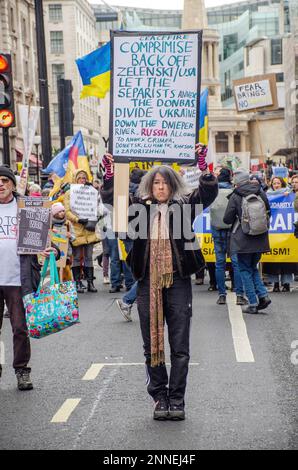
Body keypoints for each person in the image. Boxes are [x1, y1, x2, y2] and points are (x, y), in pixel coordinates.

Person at [127, 146, 218, 420]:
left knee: (180, 346)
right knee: (150, 346)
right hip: (147, 283)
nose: (160, 187)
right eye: (156, 182)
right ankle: (159, 397)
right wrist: (111, 173)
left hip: (178, 281)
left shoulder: (184, 207)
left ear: (173, 185)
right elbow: (114, 197)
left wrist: (203, 167)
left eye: (165, 182)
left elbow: (207, 193)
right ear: (149, 186)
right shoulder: (138, 210)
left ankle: (177, 399)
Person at [0, 165, 58, 390]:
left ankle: (22, 370)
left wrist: (50, 250)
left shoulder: (27, 207)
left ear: (13, 184)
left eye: (5, 181)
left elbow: (43, 239)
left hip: (18, 279)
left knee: (20, 328)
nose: (1, 185)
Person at [223, 168, 271, 314]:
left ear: (236, 182)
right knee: (253, 267)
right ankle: (263, 295)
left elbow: (227, 218)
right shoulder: (260, 191)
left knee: (244, 269)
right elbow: (268, 209)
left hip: (243, 239)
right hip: (260, 237)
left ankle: (253, 302)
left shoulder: (236, 195)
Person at [209, 167, 246, 305]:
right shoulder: (234, 191)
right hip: (233, 230)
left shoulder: (212, 192)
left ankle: (221, 294)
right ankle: (239, 294)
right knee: (237, 263)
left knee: (219, 263)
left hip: (217, 229)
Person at [64, 170, 100, 293]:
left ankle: (90, 283)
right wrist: (78, 219)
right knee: (77, 257)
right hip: (77, 229)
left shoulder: (91, 192)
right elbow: (67, 211)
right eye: (79, 178)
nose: (82, 180)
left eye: (84, 178)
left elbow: (98, 208)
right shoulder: (69, 193)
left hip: (89, 229)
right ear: (75, 179)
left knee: (89, 256)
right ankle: (78, 283)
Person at [263, 176, 293, 292]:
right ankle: (275, 283)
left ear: (282, 184)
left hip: (285, 231)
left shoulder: (289, 194)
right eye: (274, 183)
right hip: (272, 231)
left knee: (286, 259)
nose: (276, 185)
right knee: (272, 259)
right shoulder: (268, 195)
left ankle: (286, 283)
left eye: (278, 183)